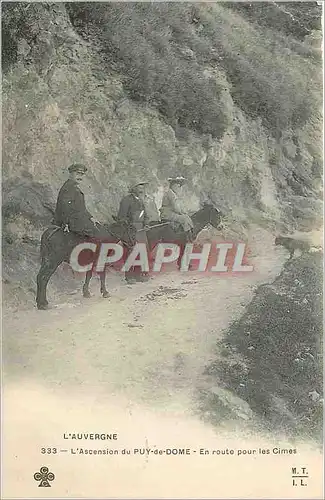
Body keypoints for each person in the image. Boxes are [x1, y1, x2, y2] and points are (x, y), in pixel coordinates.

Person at [53, 163, 102, 238]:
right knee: (95, 234)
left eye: (82, 174)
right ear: (71, 174)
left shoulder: (74, 188)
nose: (80, 177)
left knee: (99, 229)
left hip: (77, 220)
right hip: (72, 222)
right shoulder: (68, 188)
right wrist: (66, 224)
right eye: (78, 174)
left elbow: (81, 209)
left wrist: (91, 217)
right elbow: (65, 207)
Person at [117, 181, 150, 284]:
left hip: (141, 231)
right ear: (133, 187)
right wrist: (129, 227)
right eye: (139, 186)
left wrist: (146, 224)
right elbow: (121, 218)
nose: (141, 188)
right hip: (130, 230)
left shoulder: (140, 200)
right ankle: (129, 276)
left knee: (141, 252)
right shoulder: (126, 200)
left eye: (142, 186)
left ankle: (138, 274)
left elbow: (145, 215)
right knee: (130, 252)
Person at [160, 176, 194, 241]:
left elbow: (180, 207)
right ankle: (188, 238)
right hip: (167, 214)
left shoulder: (174, 194)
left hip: (172, 213)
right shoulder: (170, 193)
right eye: (178, 186)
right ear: (173, 185)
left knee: (186, 217)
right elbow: (176, 208)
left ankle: (190, 234)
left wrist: (185, 212)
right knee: (184, 218)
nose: (180, 188)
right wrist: (183, 213)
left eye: (180, 186)